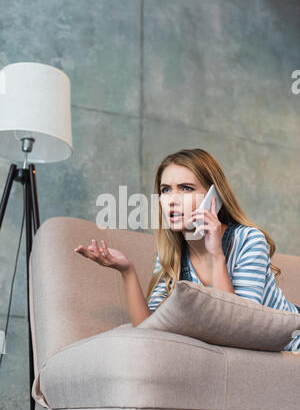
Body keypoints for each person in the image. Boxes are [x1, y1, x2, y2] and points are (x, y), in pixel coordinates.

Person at [74, 148, 300, 352]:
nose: (172, 200)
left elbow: (236, 325)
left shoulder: (248, 239)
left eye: (186, 188)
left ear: (214, 198)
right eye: (165, 190)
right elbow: (148, 331)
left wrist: (216, 255)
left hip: (293, 343)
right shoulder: (172, 254)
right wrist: (127, 271)